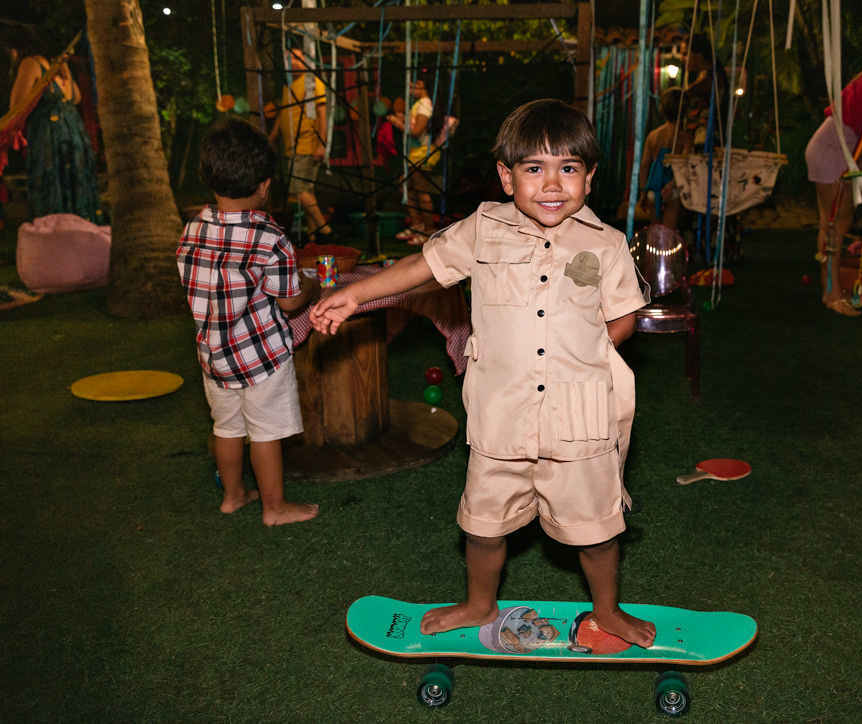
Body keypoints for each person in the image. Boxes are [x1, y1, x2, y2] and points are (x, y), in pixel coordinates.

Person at [311, 99, 656, 647]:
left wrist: (582, 354)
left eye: (568, 168)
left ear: (589, 178)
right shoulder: (482, 230)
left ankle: (608, 609)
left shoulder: (607, 244)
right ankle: (478, 603)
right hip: (501, 418)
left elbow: (623, 318)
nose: (552, 184)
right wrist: (355, 293)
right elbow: (421, 266)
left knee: (595, 528)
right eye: (534, 168)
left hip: (578, 422)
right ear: (506, 176)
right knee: (483, 525)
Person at [178, 117, 319, 526]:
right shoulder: (270, 237)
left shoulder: (193, 228)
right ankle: (274, 508)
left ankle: (233, 495)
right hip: (261, 358)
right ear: (264, 185)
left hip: (214, 356)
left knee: (227, 427)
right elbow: (290, 302)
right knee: (265, 432)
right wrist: (312, 287)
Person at [804, 66, 862, 316]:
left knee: (831, 223)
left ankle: (829, 290)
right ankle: (833, 294)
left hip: (833, 148)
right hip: (832, 150)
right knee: (836, 224)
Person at [5, 34, 101, 223]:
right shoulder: (60, 67)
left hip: (50, 134)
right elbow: (76, 98)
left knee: (52, 183)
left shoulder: (31, 63)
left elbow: (17, 106)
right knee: (75, 182)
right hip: (74, 132)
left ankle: (56, 230)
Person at [267, 48, 332, 242]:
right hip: (292, 147)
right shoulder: (288, 85)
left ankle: (325, 230)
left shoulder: (312, 83)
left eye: (297, 58)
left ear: (305, 60)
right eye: (289, 58)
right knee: (307, 191)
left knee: (297, 190)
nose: (293, 62)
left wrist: (322, 144)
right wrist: (272, 137)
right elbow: (283, 114)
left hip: (307, 144)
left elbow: (322, 114)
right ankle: (312, 237)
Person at [386, 78, 435, 244]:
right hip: (413, 153)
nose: (408, 90)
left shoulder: (424, 105)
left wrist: (397, 123)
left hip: (421, 154)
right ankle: (416, 225)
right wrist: (403, 120)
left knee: (422, 192)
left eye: (410, 86)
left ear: (420, 84)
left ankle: (429, 231)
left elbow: (416, 132)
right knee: (406, 187)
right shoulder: (418, 104)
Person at [637, 86, 691, 229]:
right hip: (673, 187)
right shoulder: (685, 137)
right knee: (669, 233)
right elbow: (684, 166)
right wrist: (671, 185)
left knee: (656, 233)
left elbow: (644, 165)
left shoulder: (653, 136)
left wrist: (643, 191)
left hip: (653, 187)